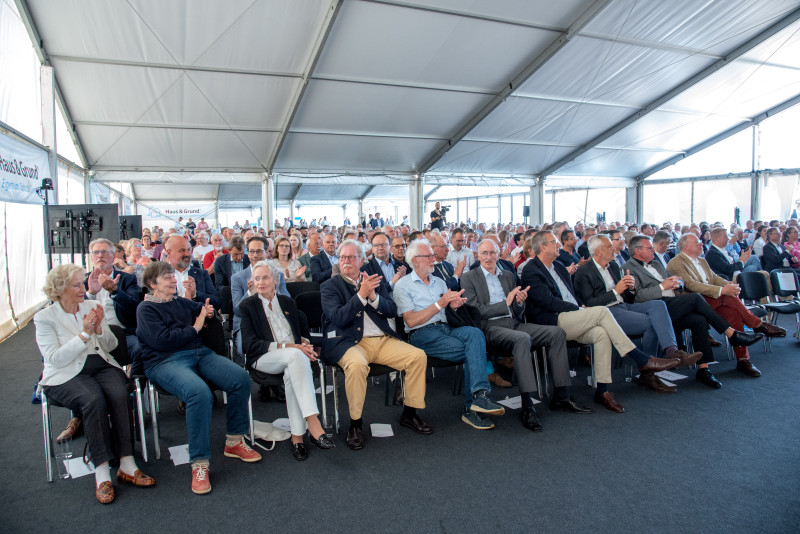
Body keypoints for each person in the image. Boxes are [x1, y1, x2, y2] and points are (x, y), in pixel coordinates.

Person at [520, 232, 680, 413]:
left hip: (573, 316)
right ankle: (642, 359)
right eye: (554, 242)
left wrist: (580, 306)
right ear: (543, 247)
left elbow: (571, 295)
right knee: (603, 311)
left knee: (601, 333)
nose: (558, 244)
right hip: (552, 320)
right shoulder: (531, 270)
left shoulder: (557, 266)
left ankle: (603, 391)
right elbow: (548, 302)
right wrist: (579, 309)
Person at [137, 261, 260, 494]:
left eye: (172, 276)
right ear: (152, 284)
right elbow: (162, 340)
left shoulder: (179, 302)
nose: (173, 280)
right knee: (199, 393)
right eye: (167, 277)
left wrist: (206, 310)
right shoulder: (146, 309)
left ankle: (234, 442)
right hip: (164, 361)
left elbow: (206, 306)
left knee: (240, 378)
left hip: (197, 353)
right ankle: (199, 463)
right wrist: (195, 327)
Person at [35, 264, 154, 504]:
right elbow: (55, 359)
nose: (84, 288)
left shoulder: (90, 305)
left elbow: (111, 346)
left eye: (82, 283)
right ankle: (102, 471)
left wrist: (99, 329)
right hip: (65, 373)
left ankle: (127, 463)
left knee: (120, 392)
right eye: (77, 285)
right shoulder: (44, 317)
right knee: (92, 399)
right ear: (60, 289)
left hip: (100, 364)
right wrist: (84, 335)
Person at [461, 240, 591, 432]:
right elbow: (475, 311)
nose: (489, 257)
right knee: (522, 339)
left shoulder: (507, 275)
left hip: (514, 323)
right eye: (484, 253)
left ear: (498, 254)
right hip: (490, 328)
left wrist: (519, 302)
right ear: (478, 256)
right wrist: (506, 303)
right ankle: (528, 405)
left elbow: (517, 309)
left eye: (492, 253)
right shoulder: (469, 277)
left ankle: (562, 396)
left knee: (556, 333)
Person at [320, 240, 431, 449]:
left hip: (381, 340)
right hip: (348, 342)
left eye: (351, 257)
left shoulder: (374, 280)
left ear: (362, 260)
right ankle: (355, 424)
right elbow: (339, 318)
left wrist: (373, 296)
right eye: (342, 257)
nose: (346, 261)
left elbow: (391, 310)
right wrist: (361, 295)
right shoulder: (330, 286)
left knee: (417, 356)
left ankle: (410, 413)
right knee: (357, 365)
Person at [622, 235, 763, 388]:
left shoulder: (656, 264)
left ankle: (704, 369)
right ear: (638, 251)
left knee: (699, 320)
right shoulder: (628, 268)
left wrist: (677, 283)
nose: (653, 250)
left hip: (673, 303)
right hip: (656, 309)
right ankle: (731, 334)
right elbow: (637, 297)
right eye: (649, 248)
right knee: (695, 298)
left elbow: (678, 280)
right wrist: (662, 287)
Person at [394, 239, 506, 430]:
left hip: (446, 328)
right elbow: (411, 321)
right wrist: (440, 304)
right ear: (415, 260)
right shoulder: (403, 285)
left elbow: (446, 310)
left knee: (475, 334)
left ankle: (479, 397)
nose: (433, 258)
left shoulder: (438, 282)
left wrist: (453, 306)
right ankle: (474, 406)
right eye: (429, 256)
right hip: (422, 334)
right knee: (474, 350)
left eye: (433, 255)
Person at [573, 235, 703, 393]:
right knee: (650, 322)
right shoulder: (584, 272)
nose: (614, 249)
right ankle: (648, 373)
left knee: (658, 305)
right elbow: (590, 304)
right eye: (609, 246)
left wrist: (631, 288)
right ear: (598, 251)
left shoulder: (613, 266)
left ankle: (672, 351)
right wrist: (615, 291)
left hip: (624, 305)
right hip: (606, 311)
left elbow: (628, 297)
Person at [239, 262, 334, 460]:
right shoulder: (248, 306)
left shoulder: (287, 302)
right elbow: (250, 345)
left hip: (293, 358)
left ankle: (297, 438)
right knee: (295, 356)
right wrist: (293, 347)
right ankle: (313, 422)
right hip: (263, 357)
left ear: (276, 280)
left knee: (293, 370)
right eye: (256, 278)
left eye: (265, 277)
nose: (260, 282)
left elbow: (301, 334)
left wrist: (305, 344)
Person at [667, 233, 785, 377]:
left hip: (711, 300)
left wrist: (729, 285)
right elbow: (691, 285)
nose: (701, 243)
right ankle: (758, 324)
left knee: (733, 313)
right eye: (697, 242)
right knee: (727, 295)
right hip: (693, 304)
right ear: (686, 247)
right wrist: (723, 290)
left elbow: (714, 278)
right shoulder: (676, 263)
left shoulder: (702, 261)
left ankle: (743, 359)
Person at [360, 232, 406, 296]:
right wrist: (392, 283)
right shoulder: (366, 270)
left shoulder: (401, 266)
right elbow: (373, 293)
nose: (380, 248)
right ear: (372, 249)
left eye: (383, 245)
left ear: (390, 247)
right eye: (376, 245)